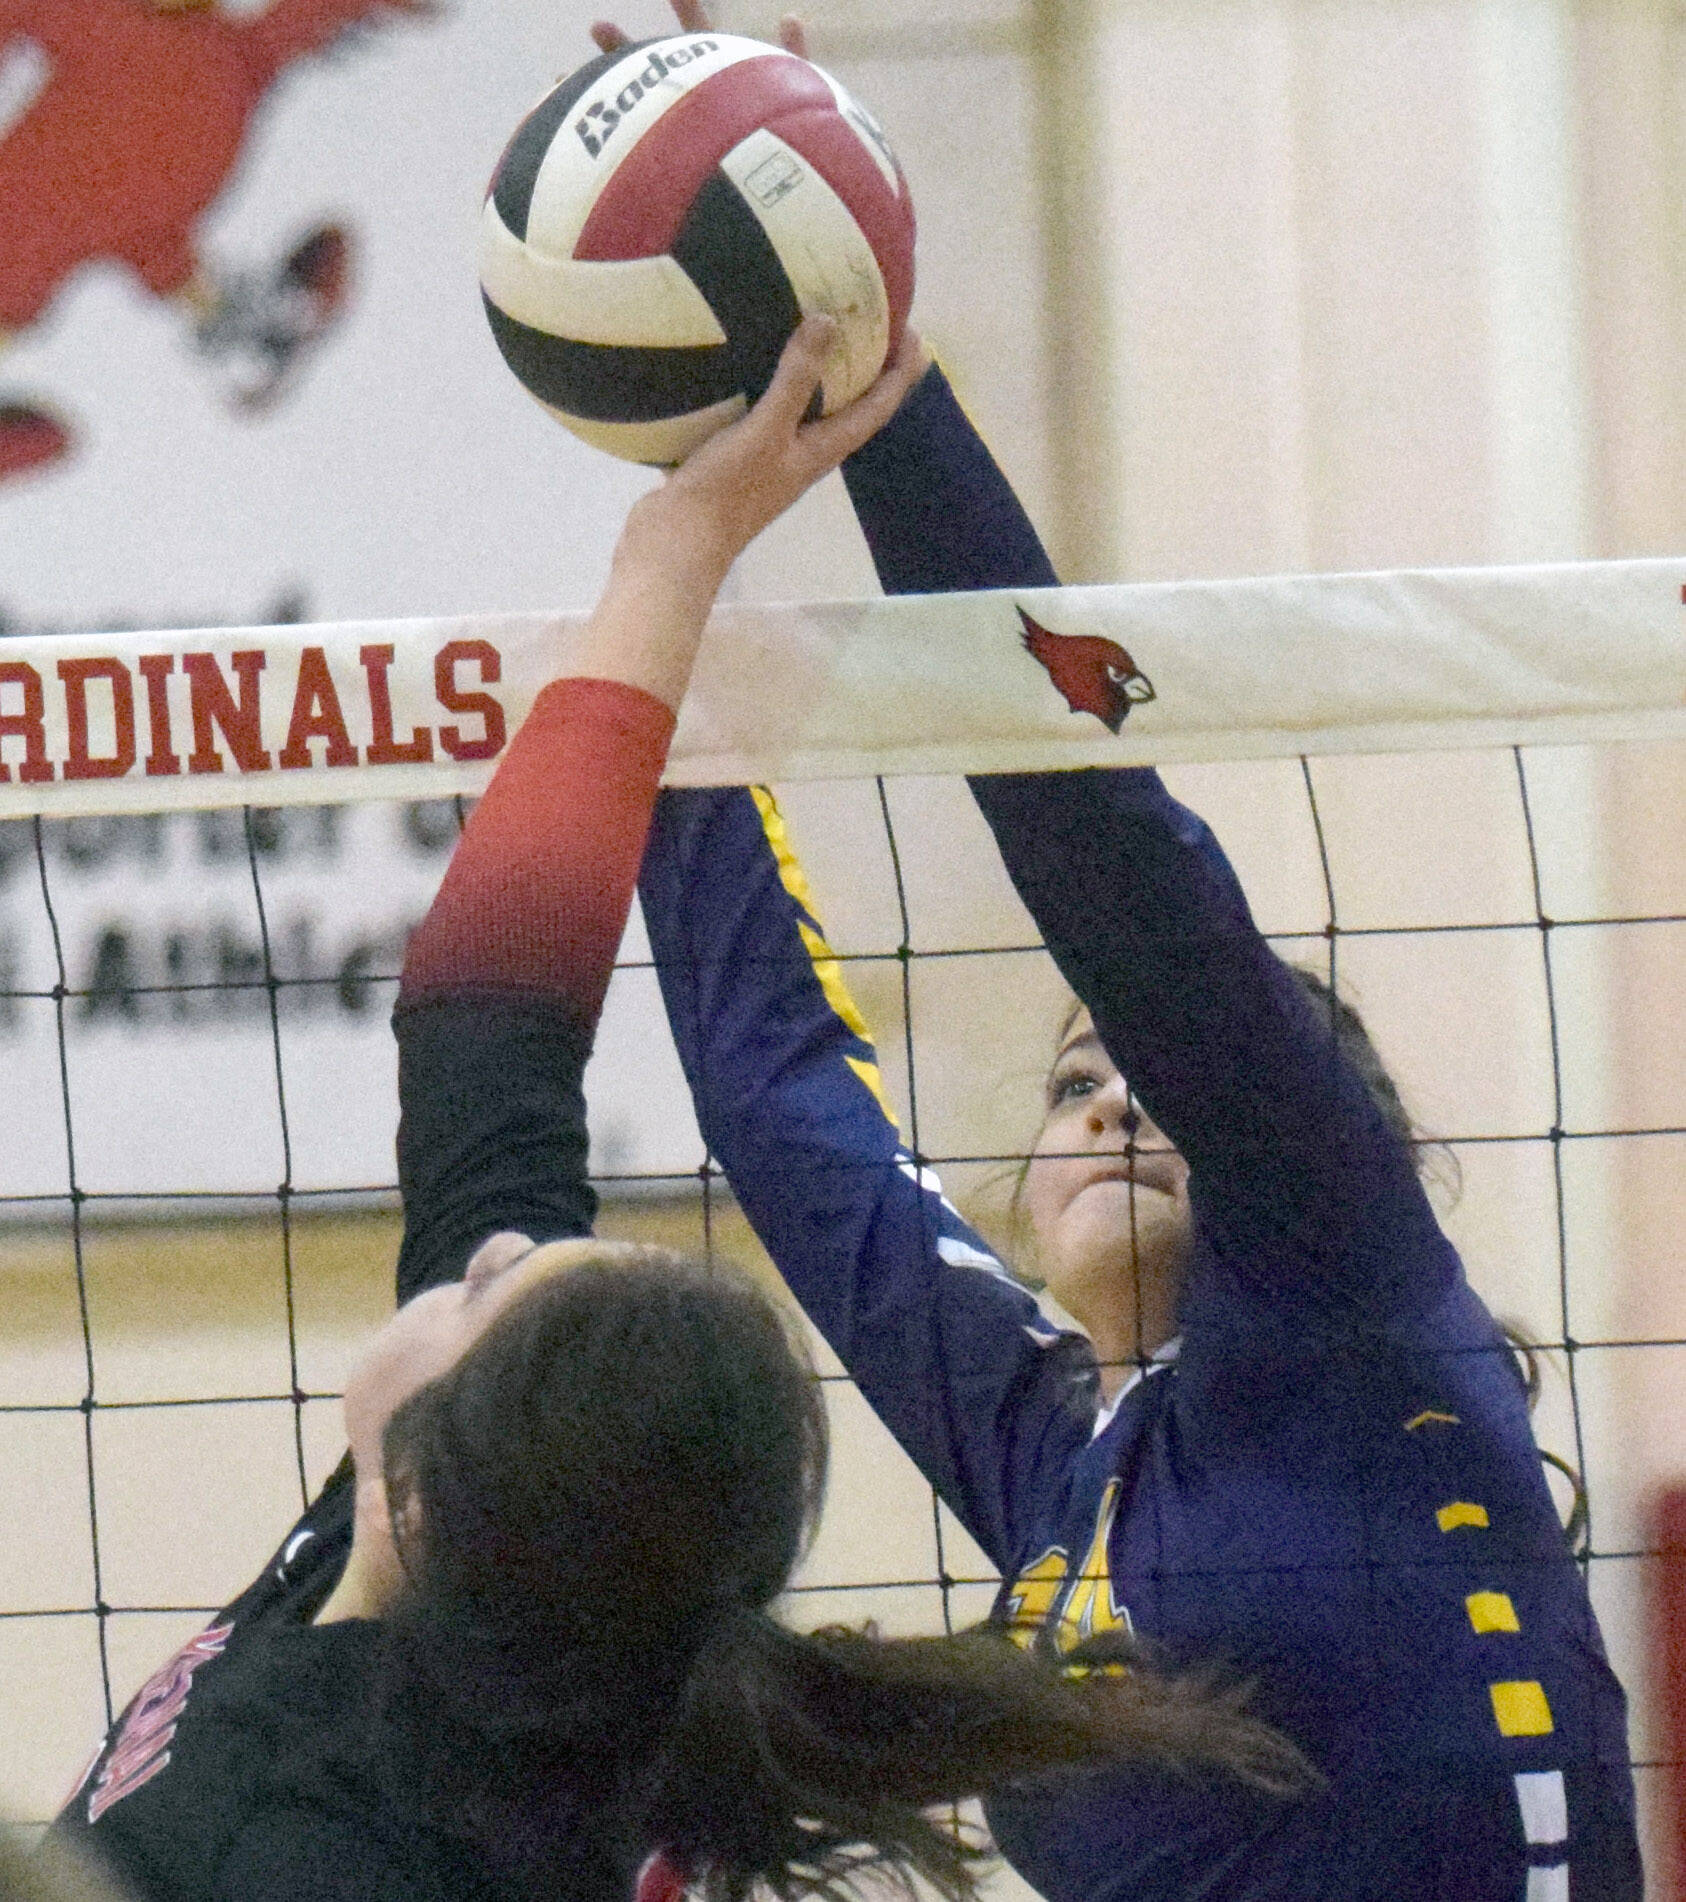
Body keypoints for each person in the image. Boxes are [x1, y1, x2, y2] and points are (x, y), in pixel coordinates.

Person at [44, 320, 1302, 1902]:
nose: (481, 1249)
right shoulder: (456, 1582)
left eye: (493, 1285)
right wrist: (677, 541)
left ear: (427, 1489)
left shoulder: (339, 1847)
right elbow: (485, 1017)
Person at [629, 26, 1643, 1895]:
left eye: (1140, 1071)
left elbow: (1116, 868)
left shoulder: (1341, 1305)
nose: (1106, 1098)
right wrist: (653, 668)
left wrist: (878, 392)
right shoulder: (1055, 1459)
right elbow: (787, 1116)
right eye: (1065, 1085)